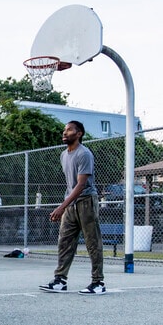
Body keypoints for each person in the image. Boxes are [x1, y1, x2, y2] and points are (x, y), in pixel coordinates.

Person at [40, 120, 106, 295]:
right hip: (71, 203)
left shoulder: (84, 154)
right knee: (65, 241)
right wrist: (66, 205)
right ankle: (60, 280)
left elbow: (81, 185)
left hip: (86, 202)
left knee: (93, 243)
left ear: (79, 134)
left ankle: (98, 282)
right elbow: (70, 185)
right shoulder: (64, 155)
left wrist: (61, 207)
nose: (65, 132)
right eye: (64, 130)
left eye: (69, 130)